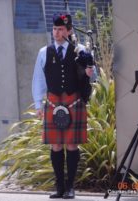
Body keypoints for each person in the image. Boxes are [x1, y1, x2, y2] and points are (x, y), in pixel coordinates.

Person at [32, 13, 93, 199]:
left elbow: (93, 76)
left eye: (60, 29)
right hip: (53, 101)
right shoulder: (44, 52)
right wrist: (38, 104)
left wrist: (90, 70)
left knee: (72, 144)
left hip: (74, 100)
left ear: (69, 31)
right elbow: (38, 80)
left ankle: (70, 187)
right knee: (56, 145)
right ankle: (59, 187)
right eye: (55, 29)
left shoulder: (80, 50)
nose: (57, 33)